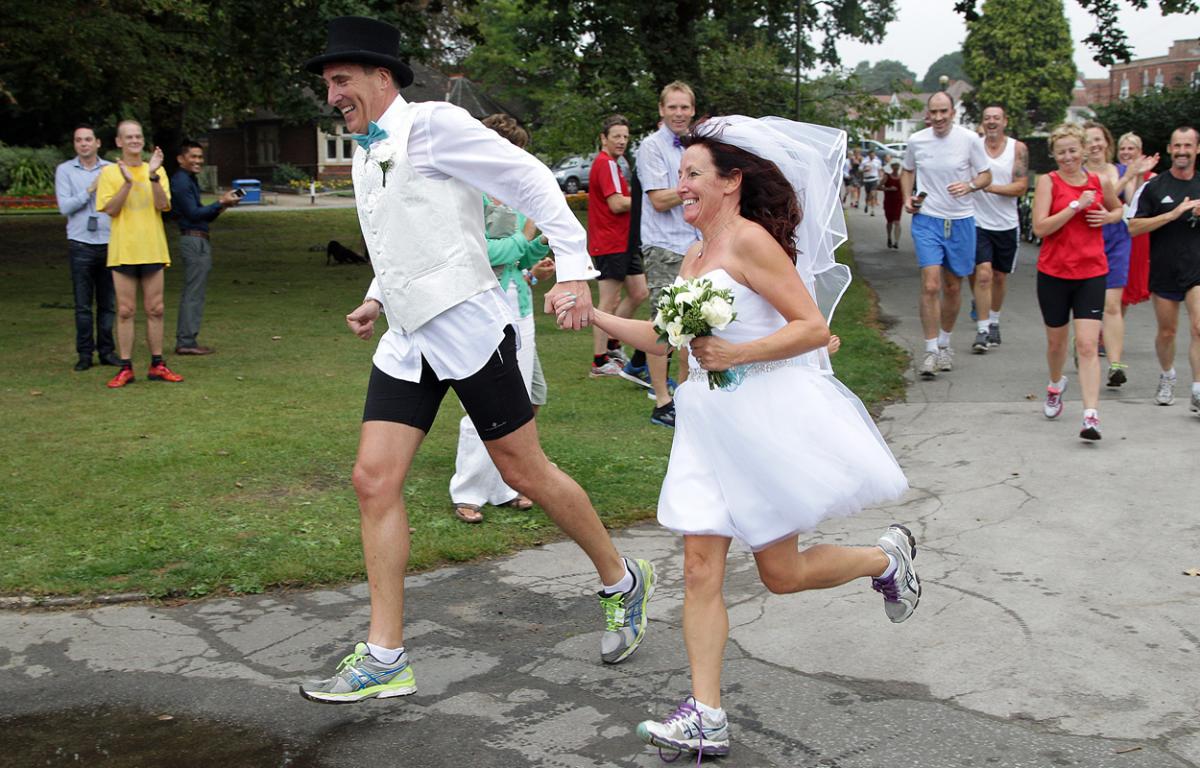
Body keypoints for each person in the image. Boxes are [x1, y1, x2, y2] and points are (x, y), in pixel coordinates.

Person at [296, 17, 656, 703]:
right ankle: (385, 656)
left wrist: (575, 270)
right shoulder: (369, 151)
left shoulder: (432, 124)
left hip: (468, 325)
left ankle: (620, 577)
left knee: (524, 468)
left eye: (341, 80)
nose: (333, 94)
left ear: (381, 76)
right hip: (408, 336)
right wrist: (376, 296)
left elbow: (530, 180)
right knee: (373, 480)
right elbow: (403, 234)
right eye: (328, 84)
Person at [564, 116, 915, 759]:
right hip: (704, 424)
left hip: (758, 422)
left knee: (780, 575)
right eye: (679, 176)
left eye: (694, 175)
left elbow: (810, 326)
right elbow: (667, 338)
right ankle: (707, 716)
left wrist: (737, 353)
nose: (681, 186)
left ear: (730, 183)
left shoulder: (752, 242)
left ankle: (886, 559)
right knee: (700, 568)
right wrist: (598, 315)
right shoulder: (695, 254)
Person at [449, 113, 550, 524]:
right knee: (485, 399)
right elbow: (482, 254)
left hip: (517, 305)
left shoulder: (508, 195)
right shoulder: (467, 193)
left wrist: (537, 243)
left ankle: (504, 485)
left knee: (518, 402)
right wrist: (523, 238)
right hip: (480, 306)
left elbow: (515, 258)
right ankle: (468, 489)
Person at [1031, 123, 1124, 440]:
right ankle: (1055, 385)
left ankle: (1090, 416)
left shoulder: (1099, 181)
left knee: (1086, 345)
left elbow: (1118, 208)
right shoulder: (1049, 182)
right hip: (1054, 274)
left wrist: (1108, 217)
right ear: (1054, 155)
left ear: (1084, 151)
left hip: (1092, 273)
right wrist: (1074, 206)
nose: (1068, 157)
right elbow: (1040, 228)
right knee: (1056, 343)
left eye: (1073, 150)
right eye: (1061, 152)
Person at [901, 91, 992, 377]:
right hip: (927, 219)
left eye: (944, 112)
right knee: (930, 284)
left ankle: (944, 343)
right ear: (928, 115)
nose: (939, 117)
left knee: (953, 286)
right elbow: (907, 170)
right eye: (934, 113)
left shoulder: (969, 140)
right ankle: (929, 351)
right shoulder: (917, 140)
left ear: (953, 113)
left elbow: (986, 175)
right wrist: (908, 198)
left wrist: (970, 186)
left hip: (961, 221)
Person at [96, 120, 182, 388]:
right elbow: (110, 209)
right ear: (119, 142)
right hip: (123, 250)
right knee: (125, 310)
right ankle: (125, 367)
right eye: (128, 137)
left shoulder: (156, 171)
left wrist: (153, 175)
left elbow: (163, 205)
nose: (134, 141)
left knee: (155, 309)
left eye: (138, 136)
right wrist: (127, 183)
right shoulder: (110, 173)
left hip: (152, 247)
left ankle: (158, 364)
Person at [634, 81, 701, 428]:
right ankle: (662, 400)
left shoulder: (698, 146)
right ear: (661, 110)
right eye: (672, 107)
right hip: (664, 245)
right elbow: (659, 199)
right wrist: (696, 185)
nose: (678, 113)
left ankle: (688, 395)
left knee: (693, 322)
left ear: (693, 110)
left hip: (697, 244)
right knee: (663, 324)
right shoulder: (651, 147)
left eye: (684, 108)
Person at [1127, 126, 1200, 413]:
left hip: (1197, 269)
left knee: (1198, 327)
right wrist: (1171, 214)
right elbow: (1132, 227)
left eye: (1188, 146)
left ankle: (1197, 388)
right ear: (1170, 149)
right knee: (1167, 332)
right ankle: (1167, 375)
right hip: (1164, 269)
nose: (1182, 151)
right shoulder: (1154, 187)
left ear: (1197, 149)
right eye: (1177, 146)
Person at [1083, 121, 1157, 387]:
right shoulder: (1079, 174)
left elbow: (1133, 201)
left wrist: (1137, 175)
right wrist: (1127, 177)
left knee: (1113, 305)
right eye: (1089, 140)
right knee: (1089, 306)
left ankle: (1115, 365)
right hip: (1087, 241)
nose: (1095, 145)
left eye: (1099, 139)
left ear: (1107, 142)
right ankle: (1082, 342)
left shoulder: (1122, 169)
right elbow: (1098, 198)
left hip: (1117, 240)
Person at [586, 114, 648, 378]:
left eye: (625, 136)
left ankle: (612, 344)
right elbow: (617, 203)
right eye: (616, 136)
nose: (622, 141)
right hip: (609, 242)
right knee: (608, 302)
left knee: (639, 292)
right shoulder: (606, 163)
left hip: (625, 240)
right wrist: (651, 198)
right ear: (604, 138)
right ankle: (599, 363)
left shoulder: (616, 163)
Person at [170, 140, 243, 356]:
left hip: (199, 238)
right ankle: (186, 341)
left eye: (200, 157)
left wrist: (223, 206)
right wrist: (220, 201)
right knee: (193, 292)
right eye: (192, 156)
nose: (198, 161)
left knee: (196, 292)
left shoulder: (189, 180)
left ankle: (188, 338)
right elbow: (193, 215)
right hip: (193, 241)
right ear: (181, 159)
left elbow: (202, 215)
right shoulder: (181, 181)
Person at [55, 124, 117, 372]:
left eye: (88, 139)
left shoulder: (111, 169)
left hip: (109, 242)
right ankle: (84, 353)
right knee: (82, 305)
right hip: (80, 243)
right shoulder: (65, 170)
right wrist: (90, 189)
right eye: (79, 140)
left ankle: (107, 350)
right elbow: (65, 207)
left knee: (108, 303)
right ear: (75, 144)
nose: (84, 144)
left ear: (98, 143)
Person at [970, 104, 1029, 350]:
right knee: (983, 274)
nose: (992, 122)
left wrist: (987, 186)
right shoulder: (973, 146)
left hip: (1006, 223)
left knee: (999, 277)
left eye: (996, 118)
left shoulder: (1018, 149)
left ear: (1005, 121)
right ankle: (982, 330)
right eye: (987, 118)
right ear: (982, 122)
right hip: (977, 221)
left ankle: (994, 320)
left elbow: (1020, 187)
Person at [1117, 133, 1157, 310]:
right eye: (1122, 148)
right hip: (1113, 233)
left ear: (1140, 151)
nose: (1126, 152)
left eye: (1130, 148)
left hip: (1136, 236)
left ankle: (1106, 334)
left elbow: (1136, 203)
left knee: (1123, 294)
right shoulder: (1114, 172)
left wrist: (1139, 175)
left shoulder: (1152, 176)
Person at [881, 159, 903, 248]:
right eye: (894, 166)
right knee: (889, 221)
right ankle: (889, 237)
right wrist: (888, 189)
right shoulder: (887, 176)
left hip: (898, 201)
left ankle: (897, 241)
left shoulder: (901, 177)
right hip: (889, 201)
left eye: (897, 166)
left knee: (897, 221)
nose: (896, 168)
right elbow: (879, 186)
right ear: (891, 167)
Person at [860, 148, 882, 216]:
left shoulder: (877, 161)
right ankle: (866, 204)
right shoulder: (864, 161)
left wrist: (880, 178)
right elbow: (860, 170)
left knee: (873, 194)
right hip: (867, 179)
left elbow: (880, 169)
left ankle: (872, 210)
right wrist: (864, 170)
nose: (872, 156)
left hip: (874, 179)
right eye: (871, 155)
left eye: (873, 155)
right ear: (869, 155)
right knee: (868, 194)